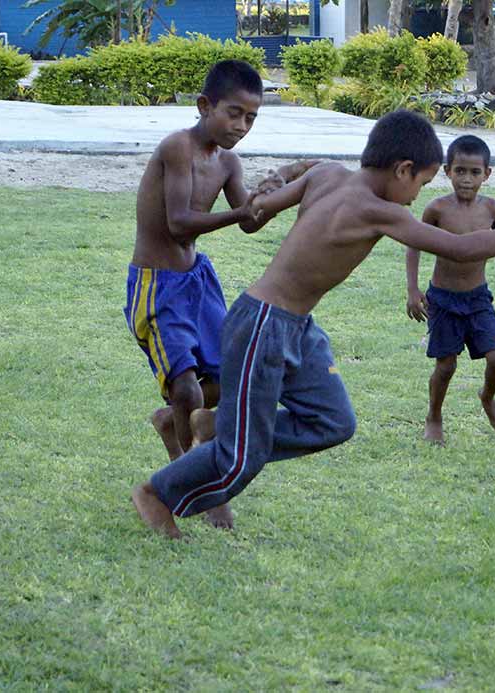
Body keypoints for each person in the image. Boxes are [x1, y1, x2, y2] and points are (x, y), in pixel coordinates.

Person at [131, 110, 495, 539]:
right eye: (421, 185)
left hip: (296, 326)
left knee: (334, 422)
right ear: (402, 170)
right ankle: (156, 493)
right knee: (242, 458)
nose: (415, 198)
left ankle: (221, 424)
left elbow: (259, 210)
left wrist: (275, 182)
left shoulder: (328, 173)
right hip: (264, 324)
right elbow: (459, 248)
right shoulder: (379, 210)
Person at [125, 59, 314, 528]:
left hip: (198, 281)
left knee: (222, 380)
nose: (241, 126)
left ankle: (174, 423)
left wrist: (280, 186)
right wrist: (244, 210)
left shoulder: (228, 162)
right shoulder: (178, 149)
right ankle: (194, 477)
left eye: (251, 118)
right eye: (234, 113)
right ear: (204, 105)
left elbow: (249, 220)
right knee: (185, 384)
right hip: (158, 284)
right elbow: (179, 223)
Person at [404, 135, 495, 442]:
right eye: (460, 171)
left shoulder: (492, 210)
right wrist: (413, 289)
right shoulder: (437, 209)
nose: (466, 179)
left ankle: (487, 397)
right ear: (447, 171)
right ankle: (434, 415)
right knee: (446, 365)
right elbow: (414, 245)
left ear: (487, 174)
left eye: (474, 172)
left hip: (478, 298)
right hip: (444, 299)